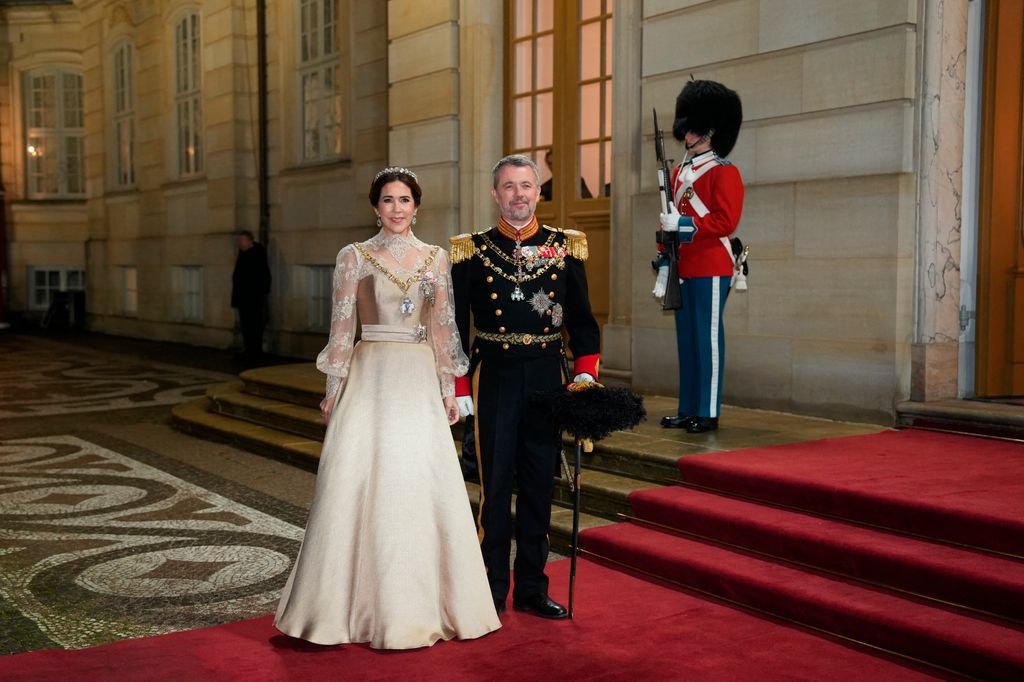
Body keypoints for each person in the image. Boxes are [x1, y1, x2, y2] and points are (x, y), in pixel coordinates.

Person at [274, 167, 500, 649]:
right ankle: (340, 608)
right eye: (388, 200)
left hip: (418, 378)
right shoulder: (353, 257)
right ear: (375, 206)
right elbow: (341, 329)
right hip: (369, 375)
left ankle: (429, 604)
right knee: (356, 482)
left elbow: (444, 330)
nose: (397, 209)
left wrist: (448, 389)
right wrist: (333, 388)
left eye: (405, 200)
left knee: (418, 483)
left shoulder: (437, 259)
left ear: (417, 206)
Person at [450, 154, 601, 619]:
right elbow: (455, 327)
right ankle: (491, 588)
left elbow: (582, 322)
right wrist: (459, 387)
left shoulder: (564, 247)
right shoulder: (470, 251)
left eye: (527, 185)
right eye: (509, 186)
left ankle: (533, 587)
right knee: (494, 487)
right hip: (492, 375)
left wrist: (584, 373)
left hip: (544, 378)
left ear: (539, 192)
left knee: (538, 484)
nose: (519, 194)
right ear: (495, 194)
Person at [654, 80, 744, 433]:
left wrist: (684, 223)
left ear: (708, 129)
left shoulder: (724, 172)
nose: (685, 133)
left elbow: (726, 221)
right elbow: (669, 221)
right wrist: (664, 256)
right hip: (684, 266)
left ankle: (707, 411)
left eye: (692, 127)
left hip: (711, 265)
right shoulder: (679, 173)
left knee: (707, 341)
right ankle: (688, 407)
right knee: (687, 342)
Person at [231, 230, 271, 361]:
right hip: (243, 298)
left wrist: (259, 293)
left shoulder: (257, 253)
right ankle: (248, 350)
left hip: (254, 298)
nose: (240, 243)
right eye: (239, 241)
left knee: (255, 325)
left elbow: (263, 276)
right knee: (245, 326)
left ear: (250, 241)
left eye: (242, 240)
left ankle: (255, 352)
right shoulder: (242, 254)